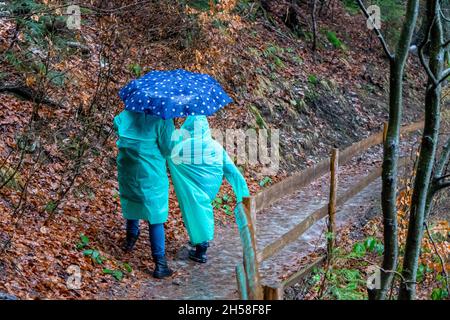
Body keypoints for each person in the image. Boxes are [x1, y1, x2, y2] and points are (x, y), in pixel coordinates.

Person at [168, 116, 250, 263]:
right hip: (210, 188)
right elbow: (232, 171)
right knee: (201, 209)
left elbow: (169, 153)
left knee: (196, 210)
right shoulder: (216, 147)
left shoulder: (182, 147)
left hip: (193, 186)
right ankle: (199, 241)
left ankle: (202, 249)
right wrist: (243, 195)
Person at [113, 110, 175, 279]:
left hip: (128, 168)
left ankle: (130, 240)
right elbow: (168, 148)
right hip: (151, 172)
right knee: (156, 214)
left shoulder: (129, 113)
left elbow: (116, 123)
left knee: (133, 201)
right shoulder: (163, 118)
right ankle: (160, 264)